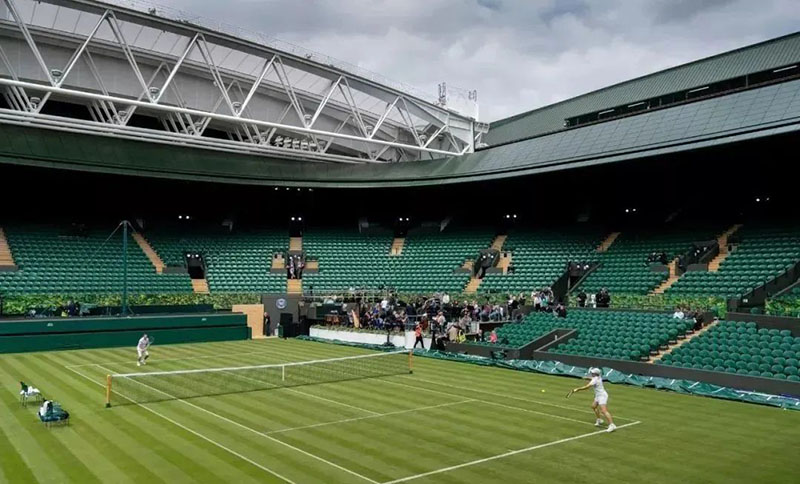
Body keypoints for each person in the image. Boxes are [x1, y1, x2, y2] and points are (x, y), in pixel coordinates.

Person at [570, 367, 616, 432]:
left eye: (592, 373)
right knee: (593, 406)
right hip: (598, 395)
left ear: (595, 374)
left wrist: (577, 389)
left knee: (604, 411)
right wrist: (587, 378)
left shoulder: (595, 380)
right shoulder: (598, 377)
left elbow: (587, 387)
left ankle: (612, 425)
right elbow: (592, 378)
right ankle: (599, 420)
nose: (591, 373)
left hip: (602, 396)